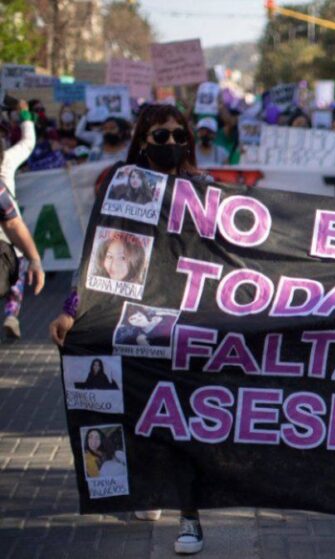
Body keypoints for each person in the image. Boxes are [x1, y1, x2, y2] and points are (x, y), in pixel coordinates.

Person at [50, 103, 208, 555]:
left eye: (180, 134)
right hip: (131, 317)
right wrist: (71, 308)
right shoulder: (121, 184)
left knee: (180, 417)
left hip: (186, 317)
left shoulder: (202, 187)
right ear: (142, 140)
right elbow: (98, 247)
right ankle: (149, 486)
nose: (172, 143)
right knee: (138, 409)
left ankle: (190, 517)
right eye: (161, 136)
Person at [1, 100, 37, 340]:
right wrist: (25, 114)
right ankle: (11, 314)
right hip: (9, 237)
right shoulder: (9, 159)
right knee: (16, 277)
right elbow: (28, 142)